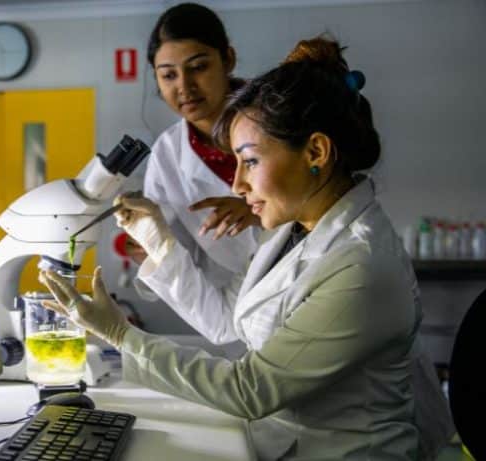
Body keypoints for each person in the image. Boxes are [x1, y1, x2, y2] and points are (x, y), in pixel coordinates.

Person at [41, 37, 454, 460]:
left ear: (316, 151)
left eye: (250, 161)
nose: (237, 185)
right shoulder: (291, 233)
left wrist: (120, 334)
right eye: (236, 163)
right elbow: (230, 319)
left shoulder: (361, 264)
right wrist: (159, 240)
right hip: (276, 441)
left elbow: (251, 389)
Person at [125, 3, 259, 341]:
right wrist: (151, 248)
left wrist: (257, 210)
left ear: (227, 59)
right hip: (241, 311)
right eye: (168, 75)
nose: (184, 86)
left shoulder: (277, 119)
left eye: (198, 67)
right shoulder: (168, 156)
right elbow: (180, 256)